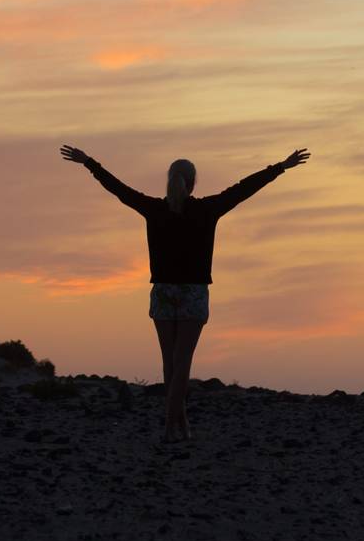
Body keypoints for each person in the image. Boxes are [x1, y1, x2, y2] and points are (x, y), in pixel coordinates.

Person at [59, 143, 310, 440]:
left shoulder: (154, 209)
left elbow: (119, 190)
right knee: (182, 363)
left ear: (169, 181)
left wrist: (90, 163)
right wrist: (281, 167)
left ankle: (180, 424)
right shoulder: (207, 209)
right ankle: (170, 425)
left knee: (171, 362)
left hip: (163, 292)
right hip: (193, 293)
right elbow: (244, 189)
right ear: (192, 184)